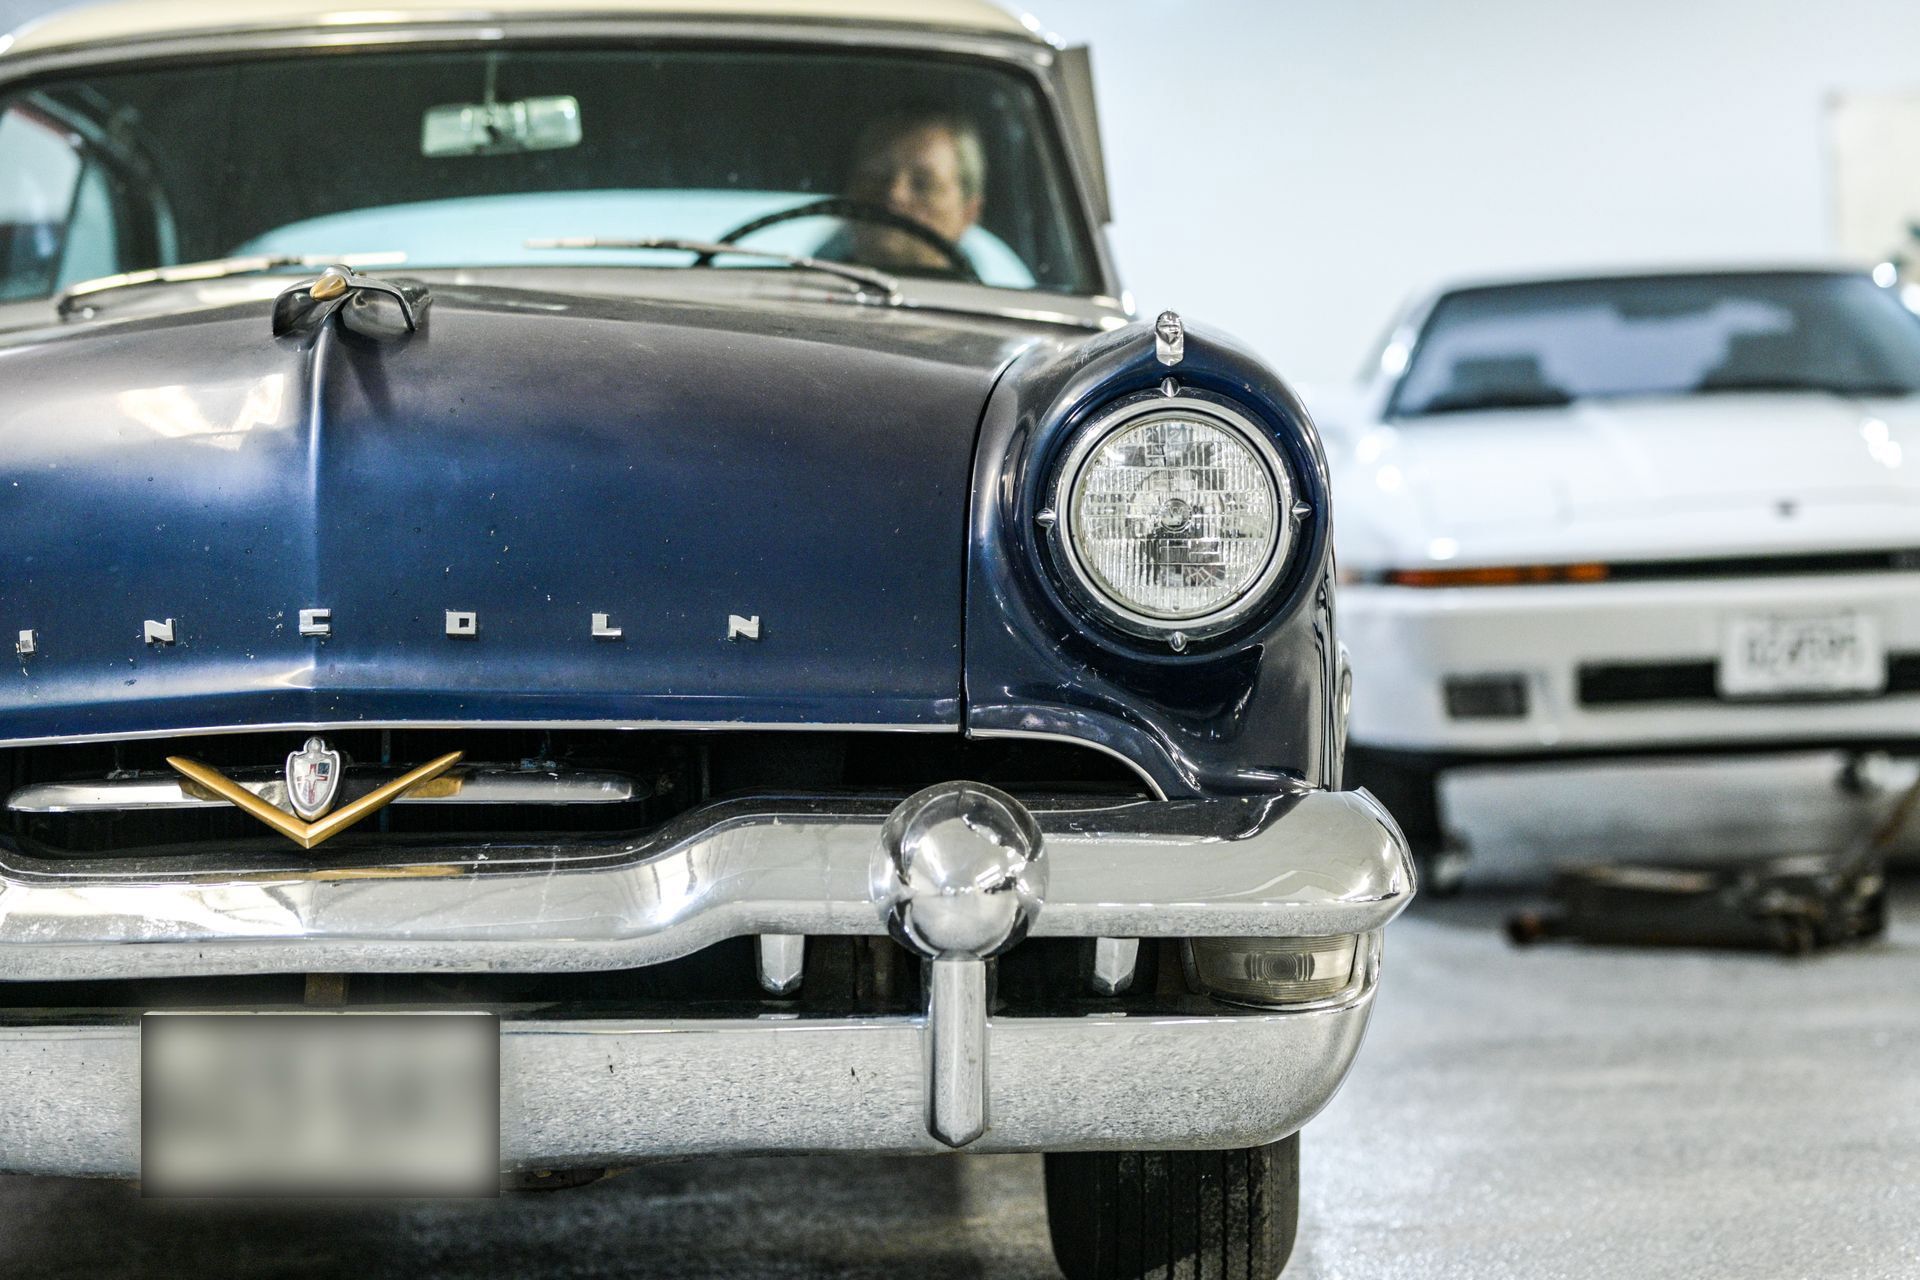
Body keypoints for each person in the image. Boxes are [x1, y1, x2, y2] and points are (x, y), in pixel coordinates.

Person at [831, 108, 985, 274]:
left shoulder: (991, 299)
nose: (895, 194)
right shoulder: (806, 285)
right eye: (876, 177)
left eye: (923, 184)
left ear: (968, 213)